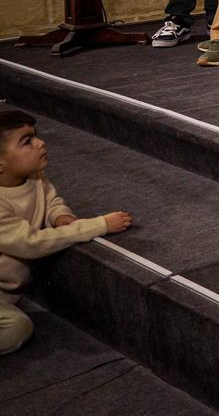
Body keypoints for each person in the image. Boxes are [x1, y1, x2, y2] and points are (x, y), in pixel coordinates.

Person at [0, 109, 133, 356]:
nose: (40, 143)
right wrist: (99, 224)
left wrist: (61, 217)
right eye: (27, 141)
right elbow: (31, 243)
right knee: (18, 328)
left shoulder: (34, 175)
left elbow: (51, 200)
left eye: (36, 136)